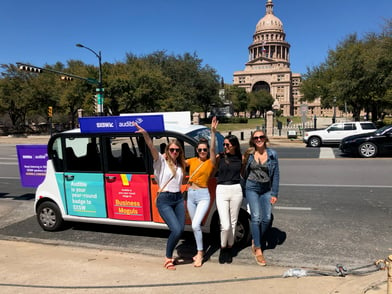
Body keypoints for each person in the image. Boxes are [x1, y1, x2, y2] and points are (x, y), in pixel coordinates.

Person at [134, 123, 186, 270]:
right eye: (172, 150)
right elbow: (151, 147)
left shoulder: (180, 165)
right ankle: (168, 258)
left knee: (180, 229)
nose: (174, 152)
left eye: (177, 150)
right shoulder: (161, 162)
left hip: (178, 198)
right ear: (167, 150)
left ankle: (170, 255)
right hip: (165, 200)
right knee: (176, 229)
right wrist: (145, 134)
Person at [242, 130, 279, 266]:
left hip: (266, 189)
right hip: (252, 187)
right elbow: (244, 173)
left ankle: (255, 238)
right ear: (253, 140)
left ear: (265, 138)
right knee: (256, 217)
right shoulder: (249, 154)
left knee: (267, 218)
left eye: (261, 137)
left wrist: (274, 193)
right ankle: (258, 248)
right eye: (256, 137)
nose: (259, 139)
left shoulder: (272, 154)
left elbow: (276, 175)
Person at [185, 117, 218, 267]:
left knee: (195, 225)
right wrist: (166, 155)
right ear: (196, 151)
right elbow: (177, 160)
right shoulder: (192, 161)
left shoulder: (210, 162)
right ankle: (199, 250)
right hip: (191, 195)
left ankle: (200, 253)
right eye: (200, 150)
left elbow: (213, 149)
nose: (203, 151)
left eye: (204, 150)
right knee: (195, 225)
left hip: (204, 195)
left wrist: (212, 132)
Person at [215, 133, 243, 264]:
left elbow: (245, 173)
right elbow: (211, 165)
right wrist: (213, 132)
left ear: (234, 146)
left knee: (233, 223)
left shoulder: (240, 158)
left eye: (228, 145)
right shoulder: (219, 157)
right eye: (224, 144)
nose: (225, 147)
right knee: (224, 225)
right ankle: (222, 247)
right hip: (221, 189)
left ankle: (230, 247)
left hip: (236, 189)